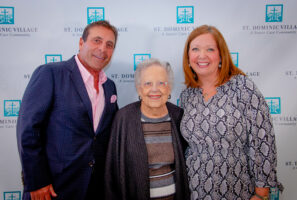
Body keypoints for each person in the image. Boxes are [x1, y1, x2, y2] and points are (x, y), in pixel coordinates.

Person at [17, 20, 119, 200]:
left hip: (94, 189)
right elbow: (28, 130)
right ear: (81, 43)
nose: (103, 49)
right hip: (52, 189)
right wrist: (37, 180)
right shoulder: (50, 74)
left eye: (109, 45)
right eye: (97, 40)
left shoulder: (109, 87)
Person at [179, 25, 281, 200]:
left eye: (210, 49)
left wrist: (261, 193)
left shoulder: (242, 87)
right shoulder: (187, 95)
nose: (202, 55)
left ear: (221, 55)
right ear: (188, 57)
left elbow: (263, 140)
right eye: (195, 49)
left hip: (237, 189)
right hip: (193, 190)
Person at [105, 58, 190, 200]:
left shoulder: (178, 116)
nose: (155, 89)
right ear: (139, 88)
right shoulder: (123, 118)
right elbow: (112, 171)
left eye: (161, 83)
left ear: (169, 88)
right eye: (148, 83)